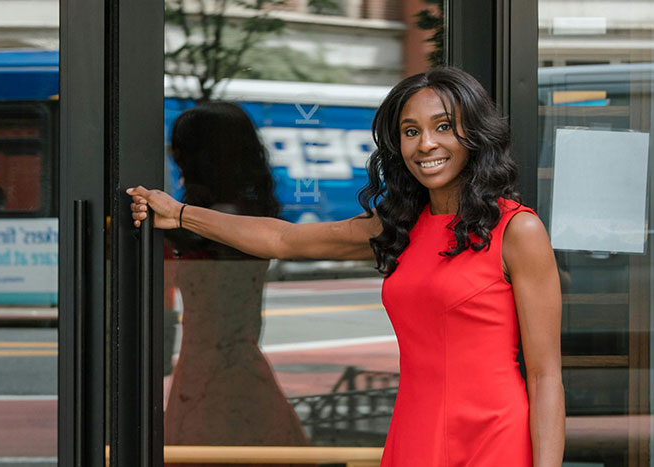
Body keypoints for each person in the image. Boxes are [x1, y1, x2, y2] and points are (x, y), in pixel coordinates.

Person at [128, 66, 565, 466]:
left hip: (495, 435)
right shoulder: (399, 228)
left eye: (444, 127)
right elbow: (282, 239)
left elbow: (545, 376)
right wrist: (179, 214)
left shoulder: (516, 231)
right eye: (410, 131)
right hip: (416, 430)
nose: (426, 143)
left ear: (474, 135)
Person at [158, 102, 308, 463]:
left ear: (192, 156)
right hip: (231, 362)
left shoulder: (212, 223)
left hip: (211, 367)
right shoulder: (244, 216)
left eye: (178, 148)